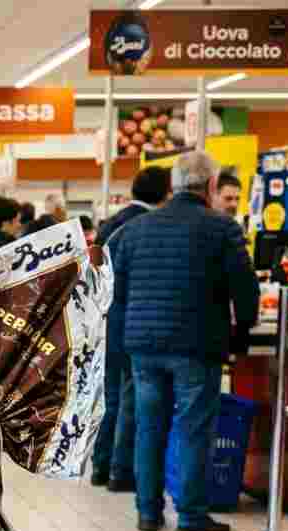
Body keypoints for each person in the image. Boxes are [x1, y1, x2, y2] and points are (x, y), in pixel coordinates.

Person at [111, 152, 260, 531]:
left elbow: (118, 292)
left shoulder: (135, 230)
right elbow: (245, 287)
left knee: (149, 427)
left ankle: (148, 512)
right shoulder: (222, 228)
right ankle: (192, 517)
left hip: (143, 345)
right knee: (193, 429)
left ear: (173, 185)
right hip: (196, 344)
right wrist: (242, 333)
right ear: (211, 185)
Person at [89, 165, 171, 492]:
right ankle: (118, 468)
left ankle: (100, 464)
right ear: (165, 193)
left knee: (110, 394)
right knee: (128, 395)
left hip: (106, 316)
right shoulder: (148, 226)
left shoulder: (111, 223)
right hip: (132, 317)